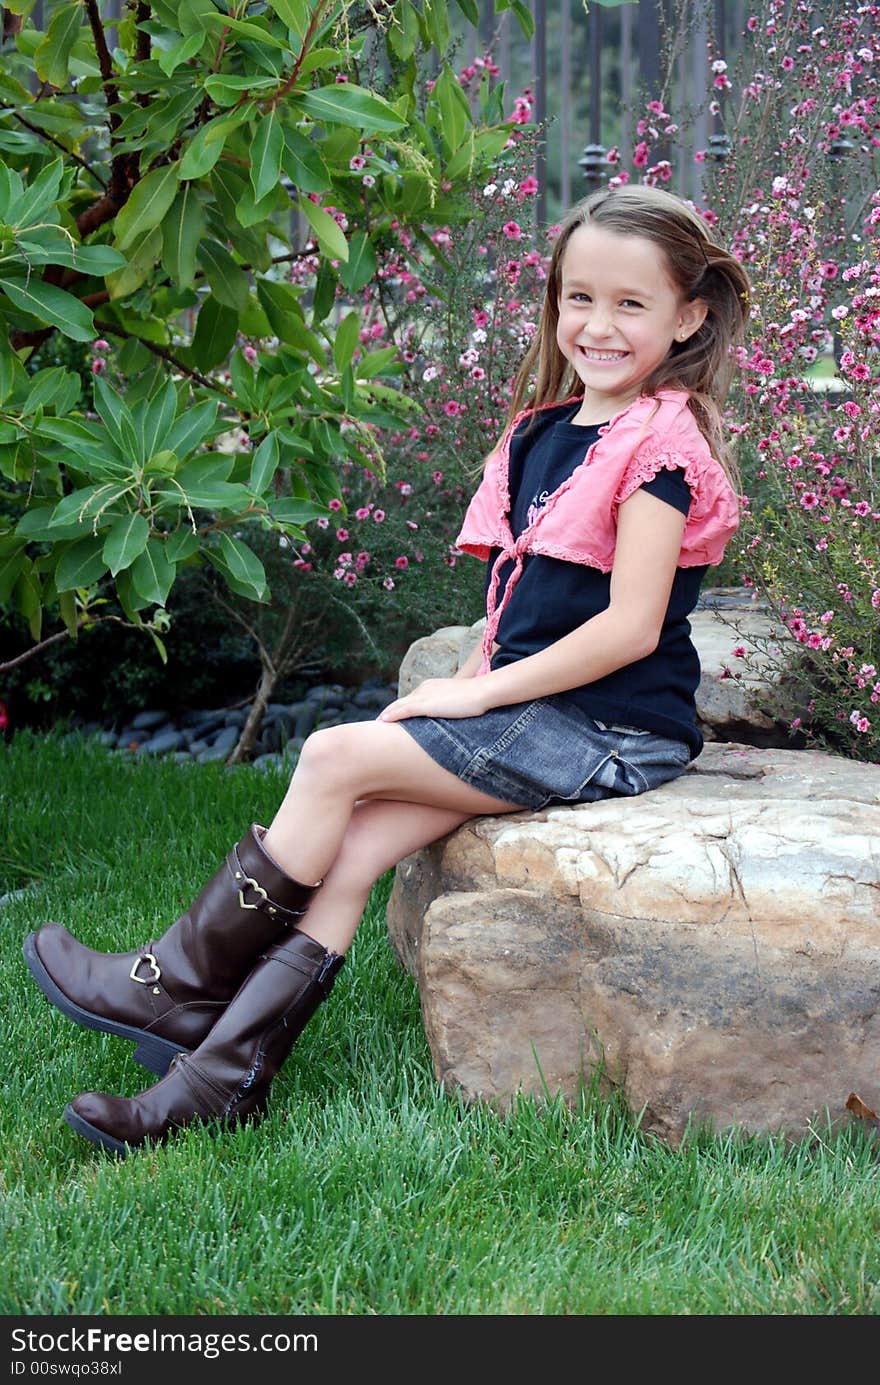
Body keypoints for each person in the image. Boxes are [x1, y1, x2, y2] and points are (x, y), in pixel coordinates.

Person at [23, 183, 752, 1157]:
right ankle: (222, 1078)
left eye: (631, 304)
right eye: (579, 298)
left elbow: (627, 628)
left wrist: (472, 692)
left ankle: (171, 984)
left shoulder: (664, 444)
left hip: (610, 726)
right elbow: (516, 601)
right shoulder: (541, 434)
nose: (599, 324)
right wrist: (476, 678)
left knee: (330, 756)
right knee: (357, 844)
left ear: (688, 313)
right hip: (534, 709)